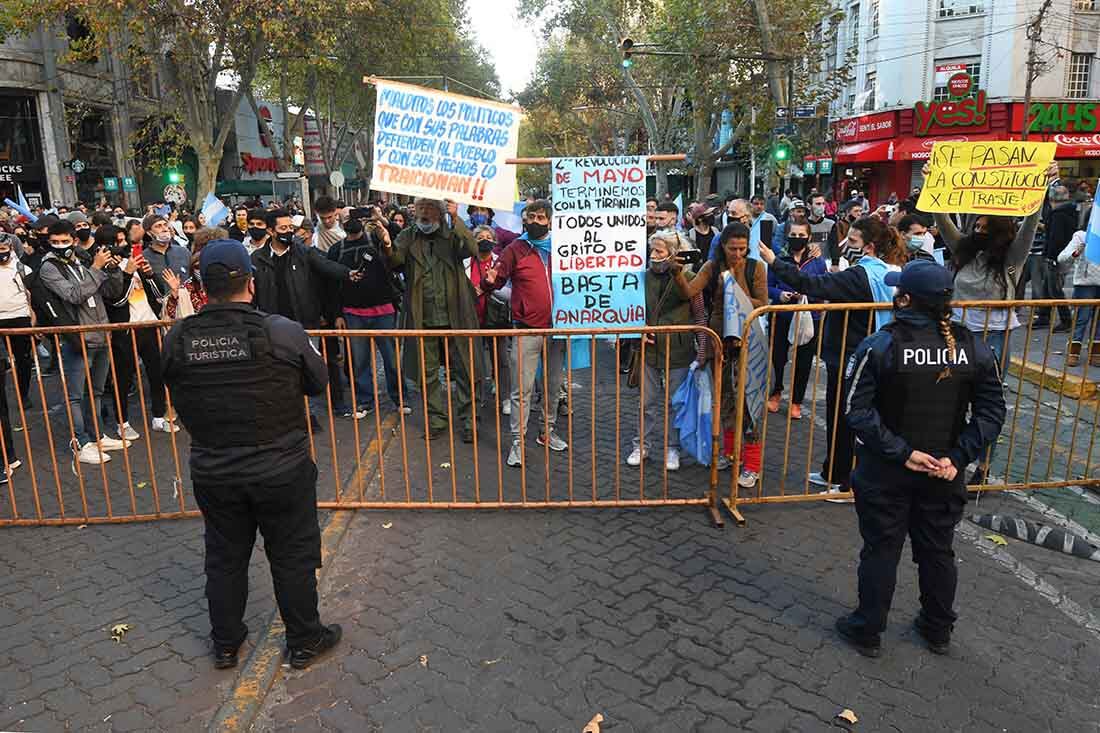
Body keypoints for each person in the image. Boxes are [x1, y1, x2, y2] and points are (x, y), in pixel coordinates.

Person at [161, 239, 342, 671]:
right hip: (280, 467)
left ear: (203, 285)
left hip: (215, 469)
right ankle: (303, 640)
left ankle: (225, 642)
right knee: (292, 555)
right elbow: (318, 384)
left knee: (224, 556)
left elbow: (173, 386)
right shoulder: (281, 331)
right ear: (251, 283)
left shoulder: (179, 337)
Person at [835, 260, 1006, 658]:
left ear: (906, 299)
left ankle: (868, 629)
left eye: (899, 290)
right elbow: (992, 413)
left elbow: (855, 411)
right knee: (937, 549)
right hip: (942, 473)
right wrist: (956, 458)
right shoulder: (972, 346)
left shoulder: (881, 344)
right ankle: (937, 629)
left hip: (886, 471)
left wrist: (906, 454)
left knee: (881, 550)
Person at [757, 216, 903, 497]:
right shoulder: (876, 271)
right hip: (849, 355)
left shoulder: (863, 275)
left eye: (854, 240)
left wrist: (775, 262)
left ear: (870, 246)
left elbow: (814, 284)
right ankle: (833, 472)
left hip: (856, 357)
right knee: (838, 416)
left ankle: (847, 482)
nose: (846, 244)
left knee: (849, 418)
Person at [673, 222, 768, 486]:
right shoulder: (711, 267)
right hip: (720, 344)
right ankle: (729, 453)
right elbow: (689, 292)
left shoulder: (755, 268)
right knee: (724, 401)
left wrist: (736, 291)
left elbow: (764, 302)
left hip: (748, 344)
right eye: (732, 249)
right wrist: (677, 273)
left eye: (742, 248)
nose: (737, 254)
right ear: (723, 247)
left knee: (749, 406)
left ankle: (752, 465)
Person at [381, 198, 481, 442]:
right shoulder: (408, 235)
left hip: (456, 315)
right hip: (422, 316)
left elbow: (471, 249)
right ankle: (436, 420)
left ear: (439, 212)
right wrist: (385, 244)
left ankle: (469, 421)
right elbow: (395, 261)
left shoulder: (451, 233)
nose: (424, 214)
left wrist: (456, 219)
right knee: (427, 373)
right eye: (420, 209)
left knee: (465, 370)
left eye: (429, 209)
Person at [251, 208, 359, 428]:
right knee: (282, 372)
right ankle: (296, 415)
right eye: (283, 228)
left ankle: (313, 411)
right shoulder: (257, 258)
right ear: (271, 231)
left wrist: (348, 273)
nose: (289, 232)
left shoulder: (304, 253)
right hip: (273, 325)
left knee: (308, 368)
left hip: (305, 325)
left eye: (291, 228)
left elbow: (327, 266)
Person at [482, 199, 569, 464]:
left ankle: (547, 431)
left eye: (541, 217)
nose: (534, 222)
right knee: (522, 390)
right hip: (526, 331)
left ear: (550, 221)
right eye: (530, 216)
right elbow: (496, 280)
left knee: (553, 387)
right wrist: (489, 281)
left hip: (557, 330)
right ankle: (517, 443)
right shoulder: (514, 249)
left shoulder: (565, 247)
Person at [38, 219, 129, 465]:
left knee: (97, 391)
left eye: (64, 241)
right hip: (77, 338)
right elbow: (74, 295)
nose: (60, 246)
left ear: (74, 240)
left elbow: (111, 292)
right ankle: (81, 441)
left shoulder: (83, 259)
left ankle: (97, 435)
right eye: (54, 242)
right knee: (75, 395)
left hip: (101, 332)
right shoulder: (49, 267)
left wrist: (111, 269)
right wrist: (98, 268)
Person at [628, 230, 703, 471]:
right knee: (646, 402)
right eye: (652, 250)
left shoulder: (690, 276)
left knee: (674, 403)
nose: (653, 255)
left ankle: (673, 448)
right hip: (649, 349)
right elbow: (631, 309)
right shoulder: (641, 276)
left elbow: (697, 309)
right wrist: (638, 330)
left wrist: (702, 349)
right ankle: (641, 445)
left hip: (678, 350)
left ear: (673, 253)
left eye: (659, 251)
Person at [326, 216, 407, 417]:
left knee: (392, 360)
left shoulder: (378, 240)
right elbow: (332, 285)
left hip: (384, 312)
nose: (351, 220)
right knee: (359, 362)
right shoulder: (336, 250)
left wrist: (386, 235)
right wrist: (337, 314)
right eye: (346, 216)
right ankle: (365, 401)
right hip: (353, 313)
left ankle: (400, 398)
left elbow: (398, 263)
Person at [103, 225, 176, 439]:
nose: (123, 245)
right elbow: (117, 300)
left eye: (123, 240)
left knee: (157, 373)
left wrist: (149, 274)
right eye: (117, 241)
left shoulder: (134, 262)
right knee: (124, 378)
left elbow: (156, 295)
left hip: (149, 325)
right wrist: (127, 275)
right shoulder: (105, 269)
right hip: (126, 330)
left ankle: (158, 417)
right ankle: (122, 422)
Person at [766, 221, 827, 420]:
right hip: (782, 314)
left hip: (810, 317)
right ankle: (775, 392)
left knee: (804, 360)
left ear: (809, 237)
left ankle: (796, 401)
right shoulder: (778, 259)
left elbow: (823, 285)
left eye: (801, 235)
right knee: (778, 357)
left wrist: (809, 295)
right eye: (793, 234)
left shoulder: (817, 261)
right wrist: (780, 294)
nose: (797, 238)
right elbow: (768, 286)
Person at [465, 225, 512, 415]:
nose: (484, 240)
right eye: (479, 237)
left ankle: (506, 397)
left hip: (496, 320)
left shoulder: (501, 263)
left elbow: (510, 292)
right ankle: (477, 398)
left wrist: (487, 287)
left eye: (487, 237)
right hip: (472, 319)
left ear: (494, 241)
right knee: (475, 361)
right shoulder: (465, 263)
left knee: (502, 360)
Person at [1058, 218, 1100, 367]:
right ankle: (1073, 352)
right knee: (1081, 319)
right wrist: (1076, 253)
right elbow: (1062, 258)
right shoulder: (1081, 236)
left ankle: (1096, 352)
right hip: (1085, 284)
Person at [0, 233, 36, 406]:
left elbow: (33, 297)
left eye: (2, 249)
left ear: (10, 249)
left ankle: (23, 395)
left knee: (23, 359)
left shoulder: (23, 269)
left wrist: (34, 320)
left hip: (20, 318)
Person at [1036, 185, 1076, 331]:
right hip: (1063, 254)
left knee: (1054, 289)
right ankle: (1043, 316)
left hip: (1055, 256)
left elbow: (1055, 238)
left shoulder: (1057, 214)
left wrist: (1050, 256)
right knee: (1048, 287)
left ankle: (1066, 320)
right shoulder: (1071, 211)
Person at [164, 226, 223, 319]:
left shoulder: (228, 285)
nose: (202, 270)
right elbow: (172, 314)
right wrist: (175, 295)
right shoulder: (188, 288)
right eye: (197, 266)